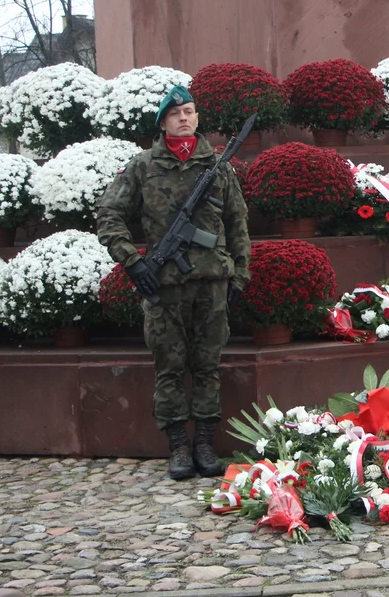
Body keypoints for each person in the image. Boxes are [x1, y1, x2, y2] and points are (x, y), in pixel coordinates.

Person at [97, 85, 251, 480]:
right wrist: (133, 263)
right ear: (163, 122)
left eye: (190, 111)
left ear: (198, 118)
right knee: (169, 367)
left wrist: (241, 273)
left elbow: (237, 225)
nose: (184, 117)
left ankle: (203, 441)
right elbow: (109, 215)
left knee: (207, 366)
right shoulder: (142, 166)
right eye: (176, 112)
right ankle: (178, 446)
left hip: (212, 282)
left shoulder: (218, 167)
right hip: (163, 285)